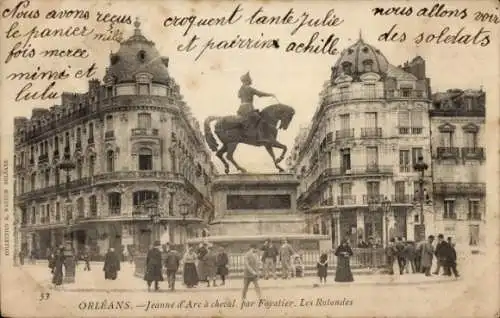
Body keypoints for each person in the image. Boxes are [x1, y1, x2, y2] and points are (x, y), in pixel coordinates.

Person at [238, 72, 275, 141]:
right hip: (248, 108)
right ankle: (261, 137)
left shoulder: (240, 89)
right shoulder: (249, 88)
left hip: (241, 109)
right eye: (249, 80)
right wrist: (270, 94)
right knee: (260, 120)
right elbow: (260, 94)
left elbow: (239, 96)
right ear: (247, 81)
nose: (250, 81)